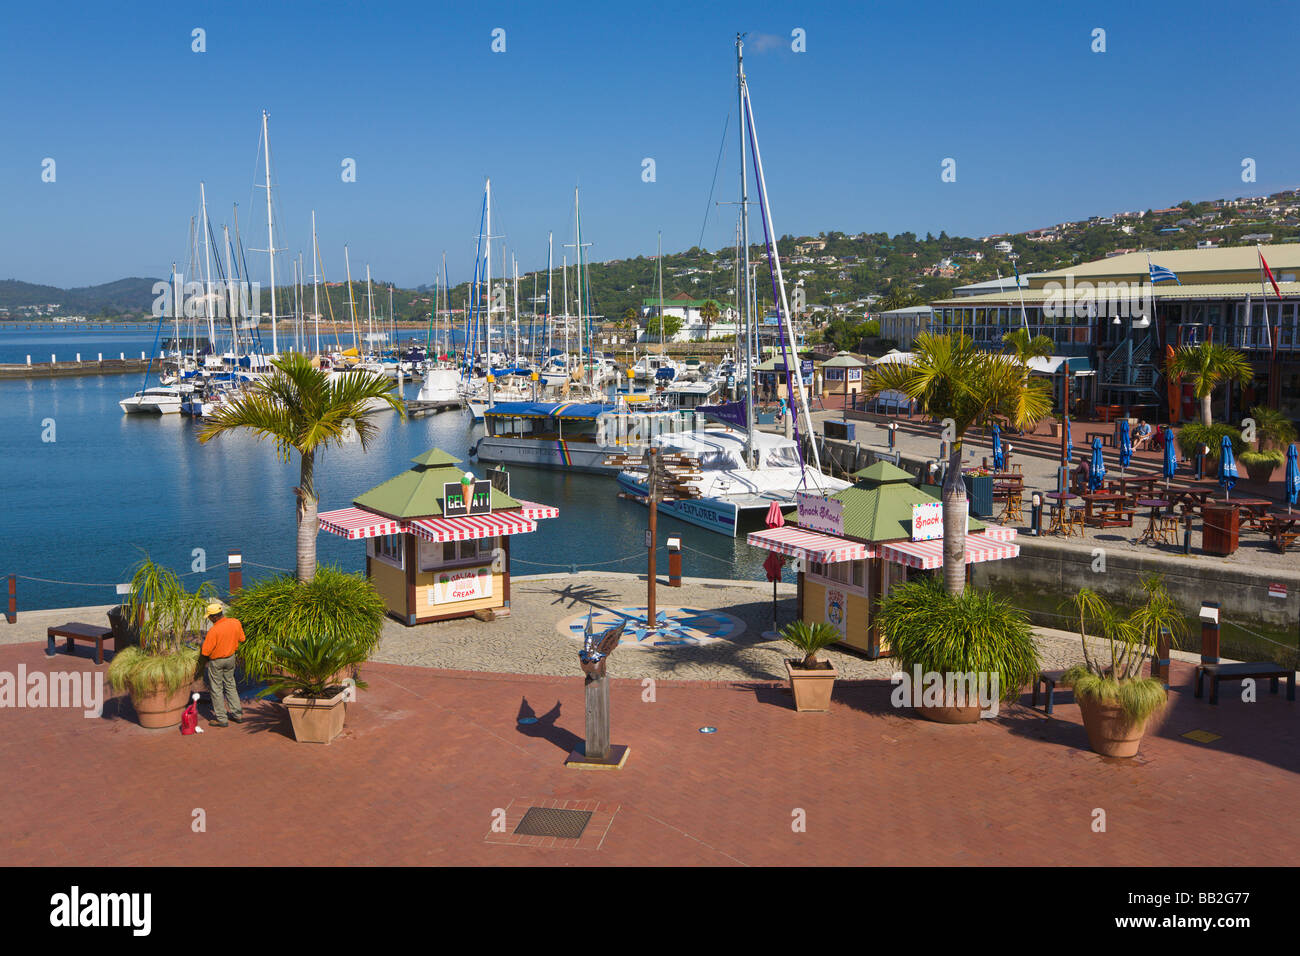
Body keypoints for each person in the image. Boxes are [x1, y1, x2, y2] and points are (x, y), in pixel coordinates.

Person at [199, 601, 246, 727]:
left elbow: (205, 651)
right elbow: (242, 638)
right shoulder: (235, 622)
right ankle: (238, 715)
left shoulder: (213, 631)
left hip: (216, 662)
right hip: (231, 658)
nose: (209, 619)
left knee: (216, 689)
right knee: (230, 685)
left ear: (214, 616)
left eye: (209, 616)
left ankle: (221, 719)